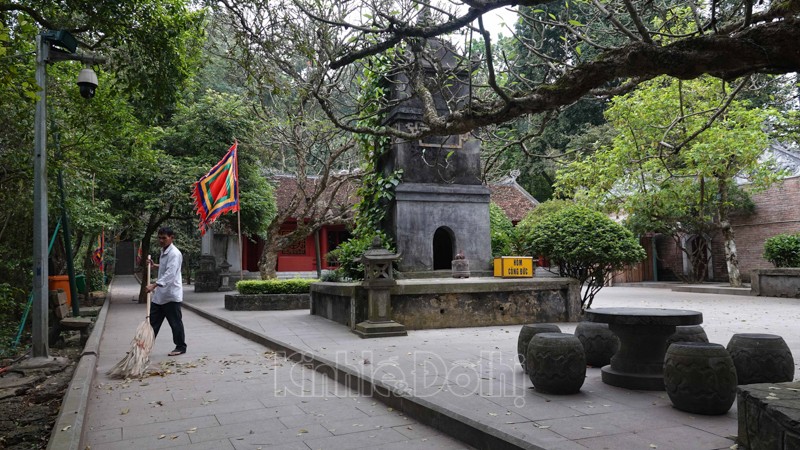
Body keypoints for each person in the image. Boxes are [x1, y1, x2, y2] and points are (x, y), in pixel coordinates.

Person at [146, 227, 187, 356]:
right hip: (160, 296)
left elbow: (170, 273)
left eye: (164, 238)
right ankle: (144, 347)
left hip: (171, 295)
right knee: (152, 323)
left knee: (175, 323)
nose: (161, 240)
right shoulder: (163, 251)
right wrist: (155, 265)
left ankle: (180, 347)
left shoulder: (175, 253)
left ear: (171, 237)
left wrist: (154, 285)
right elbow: (165, 267)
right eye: (159, 237)